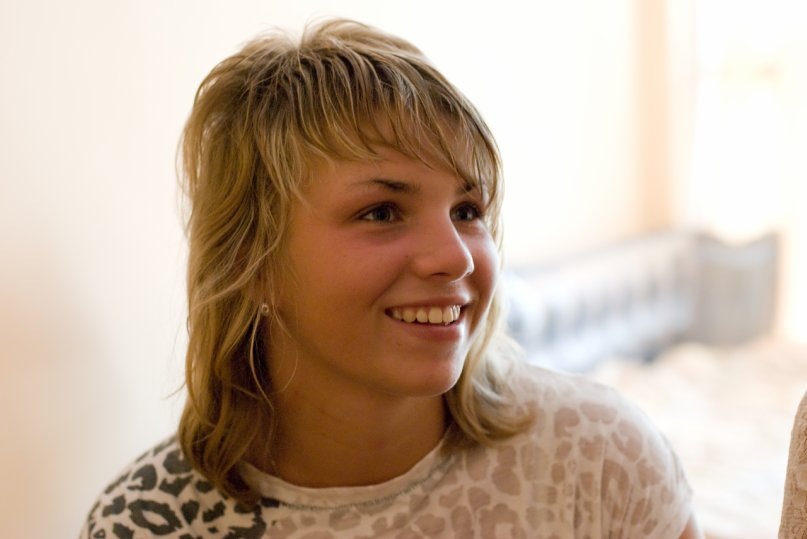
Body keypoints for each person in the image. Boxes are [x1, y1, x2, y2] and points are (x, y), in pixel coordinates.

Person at [80, 19, 702, 538]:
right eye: (381, 212)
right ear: (252, 264)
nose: (455, 258)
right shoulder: (147, 524)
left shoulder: (598, 458)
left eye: (467, 211)